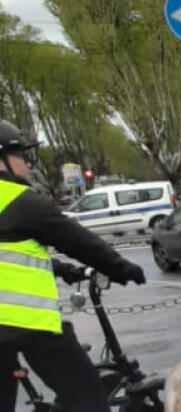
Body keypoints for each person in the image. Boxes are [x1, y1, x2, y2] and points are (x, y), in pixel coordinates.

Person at [0, 120, 147, 412]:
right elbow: (78, 241)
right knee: (86, 395)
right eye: (21, 157)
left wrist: (61, 269)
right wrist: (122, 269)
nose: (26, 166)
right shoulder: (18, 200)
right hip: (27, 325)